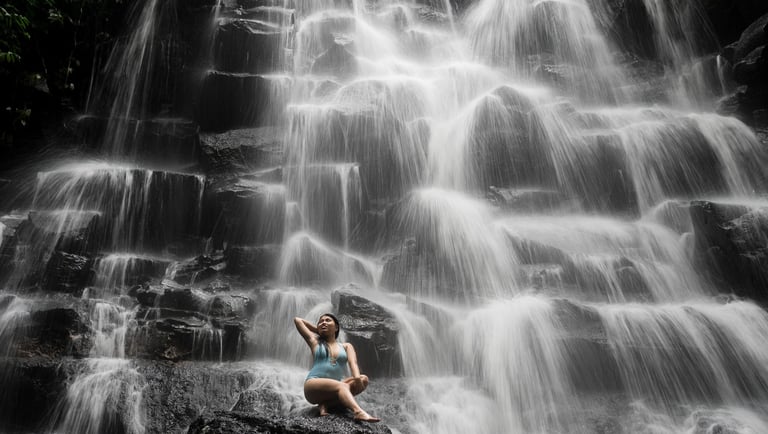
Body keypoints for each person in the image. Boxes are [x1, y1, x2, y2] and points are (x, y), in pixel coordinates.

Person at [294, 313, 381, 422]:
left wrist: (357, 378)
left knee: (364, 379)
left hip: (334, 388)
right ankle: (358, 412)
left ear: (336, 327)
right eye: (320, 322)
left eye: (327, 320)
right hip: (313, 385)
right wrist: (319, 330)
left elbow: (353, 362)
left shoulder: (346, 346)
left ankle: (326, 405)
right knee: (343, 386)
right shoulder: (315, 342)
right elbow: (298, 320)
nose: (323, 322)